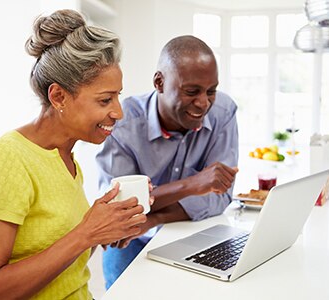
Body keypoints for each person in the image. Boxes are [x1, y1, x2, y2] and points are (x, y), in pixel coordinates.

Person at [0, 9, 148, 300]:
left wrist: (106, 232)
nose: (118, 112)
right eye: (105, 100)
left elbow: (59, 257)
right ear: (59, 96)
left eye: (117, 96)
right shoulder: (5, 160)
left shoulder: (66, 160)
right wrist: (86, 234)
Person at [96, 35, 239, 289]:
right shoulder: (123, 123)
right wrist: (194, 185)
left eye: (211, 91)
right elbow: (119, 210)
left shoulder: (224, 112)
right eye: (192, 91)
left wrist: (151, 219)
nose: (204, 103)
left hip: (190, 236)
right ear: (159, 82)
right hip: (130, 241)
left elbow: (219, 196)